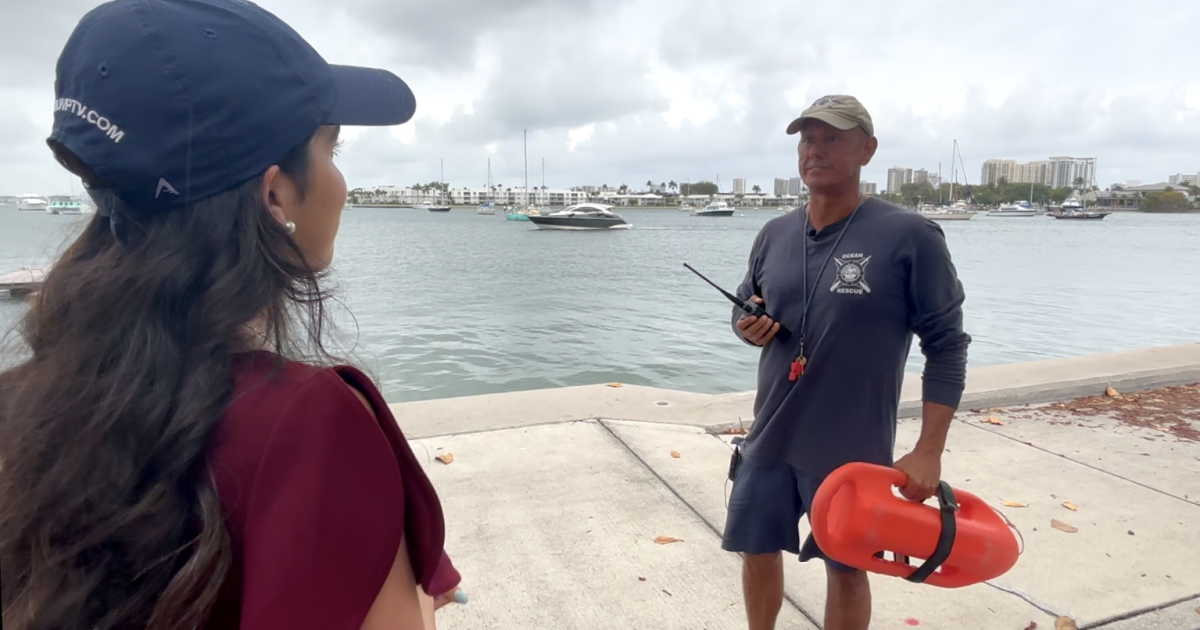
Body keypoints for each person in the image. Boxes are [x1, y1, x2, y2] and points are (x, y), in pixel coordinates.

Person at [0, 1, 464, 629]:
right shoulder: (313, 424)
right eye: (332, 147)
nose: (341, 180)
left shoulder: (21, 406)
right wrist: (409, 594)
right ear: (275, 193)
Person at [719, 94, 972, 630]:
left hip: (851, 449)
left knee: (847, 570)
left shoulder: (910, 236)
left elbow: (947, 345)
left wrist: (928, 452)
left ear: (867, 149)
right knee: (756, 550)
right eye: (807, 139)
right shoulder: (774, 234)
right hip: (769, 438)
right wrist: (748, 326)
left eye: (832, 138)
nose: (816, 150)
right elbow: (748, 307)